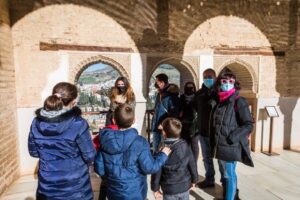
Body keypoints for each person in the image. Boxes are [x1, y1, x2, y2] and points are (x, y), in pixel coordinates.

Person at [28, 82, 96, 200]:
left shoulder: (36, 122)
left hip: (47, 187)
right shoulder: (78, 123)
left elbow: (33, 152)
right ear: (74, 101)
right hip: (76, 187)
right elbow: (90, 156)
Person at [94, 104, 171, 200]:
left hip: (114, 193)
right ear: (134, 120)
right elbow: (149, 168)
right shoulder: (140, 142)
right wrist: (163, 155)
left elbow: (99, 169)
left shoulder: (105, 142)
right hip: (136, 193)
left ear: (114, 121)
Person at [210, 68, 254, 200]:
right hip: (222, 145)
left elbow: (248, 125)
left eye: (231, 81)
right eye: (224, 80)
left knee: (229, 175)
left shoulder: (239, 101)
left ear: (235, 83)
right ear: (220, 82)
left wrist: (232, 137)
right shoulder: (220, 101)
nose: (227, 83)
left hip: (231, 145)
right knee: (229, 174)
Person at [151, 117, 198, 200]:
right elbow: (192, 163)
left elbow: (157, 170)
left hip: (169, 189)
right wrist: (195, 179)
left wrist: (155, 188)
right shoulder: (185, 146)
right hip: (184, 186)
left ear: (164, 133)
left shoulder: (161, 149)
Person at [193, 68, 226, 189]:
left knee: (221, 159)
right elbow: (196, 109)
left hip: (217, 133)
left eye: (210, 76)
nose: (208, 79)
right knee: (207, 158)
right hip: (203, 132)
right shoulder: (199, 94)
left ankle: (225, 183)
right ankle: (209, 179)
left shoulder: (221, 93)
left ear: (215, 77)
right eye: (205, 77)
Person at [151, 73, 180, 152]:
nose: (156, 84)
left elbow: (174, 113)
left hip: (164, 128)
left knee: (163, 150)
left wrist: (164, 124)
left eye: (157, 82)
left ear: (162, 83)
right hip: (157, 126)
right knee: (156, 150)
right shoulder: (160, 94)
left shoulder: (171, 96)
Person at [179, 82, 198, 159]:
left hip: (195, 125)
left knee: (194, 144)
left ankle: (194, 162)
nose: (189, 89)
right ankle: (187, 161)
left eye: (191, 87)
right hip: (184, 124)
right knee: (185, 143)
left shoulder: (197, 97)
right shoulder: (182, 97)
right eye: (188, 87)